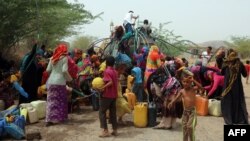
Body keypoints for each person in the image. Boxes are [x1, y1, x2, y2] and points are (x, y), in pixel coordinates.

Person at [168, 76, 203, 141]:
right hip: (185, 112)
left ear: (190, 83)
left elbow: (201, 87)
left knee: (190, 127)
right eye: (184, 82)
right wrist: (172, 102)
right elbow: (176, 98)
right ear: (182, 82)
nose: (185, 83)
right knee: (184, 128)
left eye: (187, 82)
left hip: (192, 112)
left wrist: (193, 80)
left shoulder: (193, 89)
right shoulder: (182, 91)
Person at [45, 43, 73, 126]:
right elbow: (64, 71)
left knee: (51, 100)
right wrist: (70, 79)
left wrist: (53, 74)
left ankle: (49, 120)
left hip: (51, 82)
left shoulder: (52, 58)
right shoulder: (64, 58)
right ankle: (61, 118)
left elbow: (48, 70)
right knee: (61, 100)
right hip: (60, 82)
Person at [221, 50, 249, 125]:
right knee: (237, 102)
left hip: (227, 88)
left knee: (228, 102)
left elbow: (222, 73)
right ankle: (238, 119)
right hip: (237, 88)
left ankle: (229, 118)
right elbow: (245, 75)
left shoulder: (225, 63)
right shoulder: (240, 64)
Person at [98, 56, 118, 137]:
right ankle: (115, 130)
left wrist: (102, 87)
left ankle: (105, 131)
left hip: (107, 95)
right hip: (114, 95)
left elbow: (110, 82)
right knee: (113, 113)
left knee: (102, 112)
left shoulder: (107, 71)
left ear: (106, 62)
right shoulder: (115, 71)